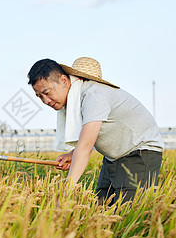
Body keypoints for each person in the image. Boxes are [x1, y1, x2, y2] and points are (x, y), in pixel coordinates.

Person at [27, 57, 164, 205]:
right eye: (40, 96)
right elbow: (89, 137)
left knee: (128, 213)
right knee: (99, 208)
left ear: (64, 80)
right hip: (113, 157)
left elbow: (86, 146)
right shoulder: (77, 99)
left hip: (140, 153)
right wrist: (72, 155)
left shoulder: (94, 96)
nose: (46, 101)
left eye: (47, 93)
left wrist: (66, 192)